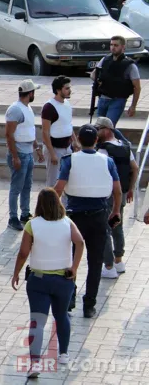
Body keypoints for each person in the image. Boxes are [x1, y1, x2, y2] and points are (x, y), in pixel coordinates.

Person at [11, 188, 84, 379]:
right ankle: (64, 354)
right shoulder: (68, 223)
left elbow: (24, 252)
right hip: (64, 280)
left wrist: (16, 272)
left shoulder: (32, 225)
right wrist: (74, 268)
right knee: (61, 316)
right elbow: (81, 242)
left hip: (38, 281)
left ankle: (34, 363)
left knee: (37, 321)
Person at [53, 124, 122, 318]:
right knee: (95, 261)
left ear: (78, 141)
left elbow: (58, 189)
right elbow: (117, 190)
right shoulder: (107, 162)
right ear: (97, 141)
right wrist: (116, 210)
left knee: (70, 259)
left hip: (75, 216)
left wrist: (54, 212)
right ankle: (89, 305)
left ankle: (70, 299)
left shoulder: (70, 161)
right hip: (99, 215)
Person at [94, 117, 137, 278]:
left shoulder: (103, 150)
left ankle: (109, 265)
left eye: (98, 128)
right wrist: (130, 189)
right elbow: (135, 168)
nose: (96, 132)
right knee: (117, 227)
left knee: (105, 230)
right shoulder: (125, 147)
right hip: (123, 193)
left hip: (107, 195)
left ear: (106, 130)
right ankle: (119, 261)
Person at [5, 80, 44, 231]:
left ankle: (24, 213)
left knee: (27, 185)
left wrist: (37, 149)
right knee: (16, 187)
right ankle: (12, 217)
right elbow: (9, 135)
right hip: (20, 153)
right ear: (30, 93)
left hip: (28, 152)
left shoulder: (27, 108)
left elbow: (30, 131)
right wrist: (15, 157)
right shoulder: (15, 110)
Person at [91, 35, 141, 126]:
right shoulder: (105, 59)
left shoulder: (129, 65)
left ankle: (124, 141)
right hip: (103, 98)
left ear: (123, 47)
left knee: (108, 127)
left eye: (116, 45)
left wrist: (133, 106)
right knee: (99, 127)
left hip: (118, 100)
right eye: (111, 45)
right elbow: (93, 74)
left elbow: (137, 87)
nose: (113, 47)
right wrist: (98, 80)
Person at [42, 76, 77, 189]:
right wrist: (52, 153)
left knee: (67, 181)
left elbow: (68, 125)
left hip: (67, 148)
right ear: (58, 90)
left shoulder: (67, 104)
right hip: (54, 148)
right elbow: (45, 132)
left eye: (69, 88)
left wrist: (75, 141)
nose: (69, 90)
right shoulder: (49, 107)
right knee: (52, 183)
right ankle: (50, 206)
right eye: (66, 88)